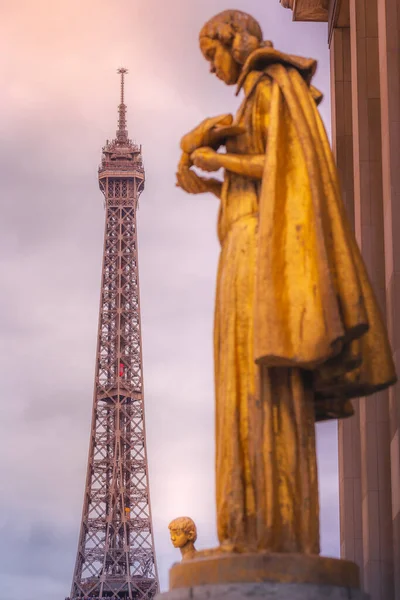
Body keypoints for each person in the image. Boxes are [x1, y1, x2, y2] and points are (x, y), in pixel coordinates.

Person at [176, 10, 396, 555]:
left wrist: (212, 157)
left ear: (235, 42)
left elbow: (285, 165)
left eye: (212, 54)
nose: (212, 68)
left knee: (258, 385)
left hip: (259, 251)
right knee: (243, 384)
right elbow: (269, 176)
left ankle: (267, 528)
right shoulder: (255, 97)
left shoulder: (275, 83)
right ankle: (249, 526)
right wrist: (210, 181)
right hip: (245, 246)